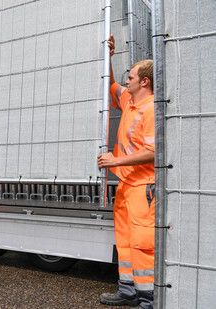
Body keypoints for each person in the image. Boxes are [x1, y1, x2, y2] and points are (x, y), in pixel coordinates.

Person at [97, 35, 155, 309]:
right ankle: (128, 292)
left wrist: (114, 161)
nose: (126, 79)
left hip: (143, 186)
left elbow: (153, 152)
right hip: (126, 186)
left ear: (145, 81)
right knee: (125, 241)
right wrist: (108, 55)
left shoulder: (151, 109)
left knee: (142, 244)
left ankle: (149, 300)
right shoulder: (128, 101)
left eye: (130, 76)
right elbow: (109, 85)